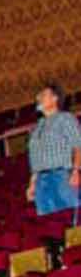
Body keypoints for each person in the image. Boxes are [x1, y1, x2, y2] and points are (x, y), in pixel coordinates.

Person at [26, 82, 81, 217]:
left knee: (69, 222)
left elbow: (78, 145)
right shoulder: (37, 127)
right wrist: (32, 184)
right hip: (41, 183)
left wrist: (75, 171)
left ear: (55, 98)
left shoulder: (65, 118)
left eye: (43, 95)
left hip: (61, 176)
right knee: (48, 225)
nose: (38, 98)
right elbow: (35, 160)